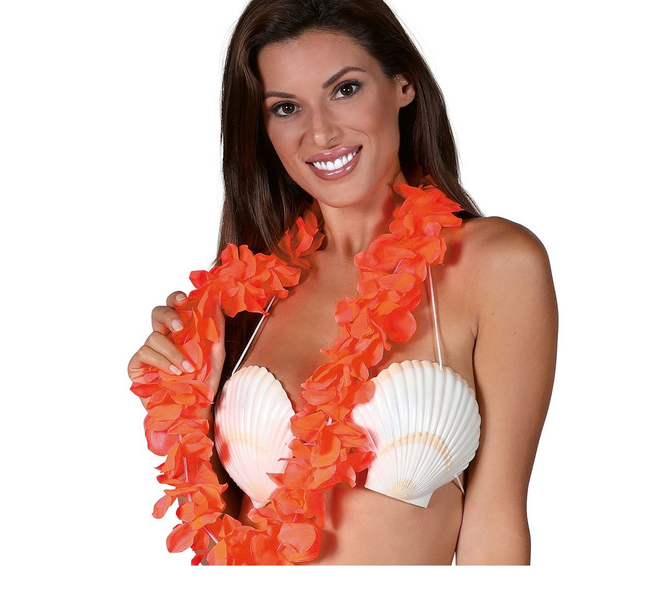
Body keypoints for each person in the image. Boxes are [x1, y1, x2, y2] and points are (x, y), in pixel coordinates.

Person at [128, 0, 557, 565]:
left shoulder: (496, 264)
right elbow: (226, 542)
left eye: (345, 89)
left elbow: (495, 520)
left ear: (403, 84)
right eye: (286, 107)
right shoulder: (248, 293)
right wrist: (187, 396)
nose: (321, 132)